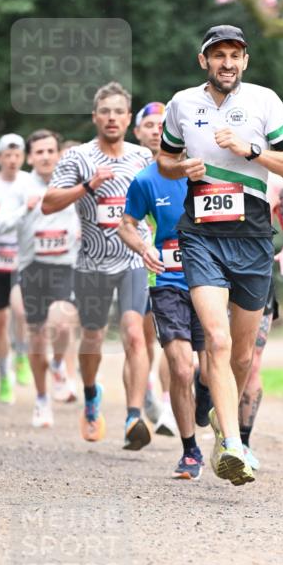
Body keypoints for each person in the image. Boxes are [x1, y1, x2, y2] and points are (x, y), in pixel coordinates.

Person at [158, 24, 283, 486]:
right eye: (218, 55)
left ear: (245, 61)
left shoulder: (265, 101)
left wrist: (253, 150)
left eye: (235, 56)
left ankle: (222, 420)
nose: (227, 63)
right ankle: (232, 446)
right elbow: (165, 159)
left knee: (242, 356)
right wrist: (182, 167)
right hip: (200, 236)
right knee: (217, 342)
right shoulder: (182, 104)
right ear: (204, 60)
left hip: (253, 239)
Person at [42, 82, 153, 448]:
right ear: (95, 117)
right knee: (92, 336)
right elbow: (49, 203)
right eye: (104, 111)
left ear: (127, 117)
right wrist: (88, 186)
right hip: (91, 264)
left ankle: (134, 417)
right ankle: (91, 397)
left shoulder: (143, 158)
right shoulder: (78, 158)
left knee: (134, 332)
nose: (111, 117)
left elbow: (164, 200)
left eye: (118, 111)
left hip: (133, 258)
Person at [119, 159, 206, 479]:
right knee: (182, 368)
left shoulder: (214, 168)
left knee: (208, 372)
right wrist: (144, 247)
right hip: (167, 284)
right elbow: (125, 223)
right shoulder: (146, 180)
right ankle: (190, 452)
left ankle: (206, 393)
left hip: (210, 283)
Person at [0, 130, 80, 427]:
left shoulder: (71, 183)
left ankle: (58, 365)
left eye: (50, 151)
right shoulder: (20, 187)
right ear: (30, 157)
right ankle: (42, 399)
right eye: (39, 152)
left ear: (58, 154)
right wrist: (25, 208)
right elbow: (1, 224)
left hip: (65, 265)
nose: (45, 156)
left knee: (63, 321)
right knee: (36, 336)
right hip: (32, 267)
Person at [239, 172, 283, 470]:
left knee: (251, 360)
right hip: (213, 277)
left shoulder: (276, 183)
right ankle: (206, 405)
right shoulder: (210, 171)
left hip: (258, 278)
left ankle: (241, 441)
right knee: (209, 358)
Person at [131, 101, 174, 432]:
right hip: (132, 261)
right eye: (149, 125)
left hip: (171, 262)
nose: (156, 130)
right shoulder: (129, 163)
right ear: (138, 131)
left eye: (162, 124)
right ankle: (142, 397)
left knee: (172, 338)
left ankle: (170, 405)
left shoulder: (180, 163)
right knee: (139, 338)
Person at [0, 134, 31, 402]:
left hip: (23, 257)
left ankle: (21, 353)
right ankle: (4, 375)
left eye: (17, 155)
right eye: (7, 155)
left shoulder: (29, 182)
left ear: (23, 157)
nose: (12, 160)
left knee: (22, 312)